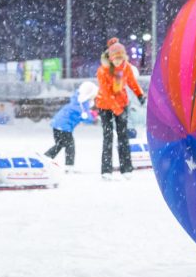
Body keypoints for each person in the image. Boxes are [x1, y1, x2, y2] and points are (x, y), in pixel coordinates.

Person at [96, 38, 146, 179]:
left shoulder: (125, 67)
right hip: (105, 105)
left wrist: (140, 95)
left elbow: (132, 82)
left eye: (120, 58)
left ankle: (126, 169)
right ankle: (106, 170)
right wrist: (117, 110)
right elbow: (106, 93)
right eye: (115, 59)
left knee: (123, 137)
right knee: (108, 137)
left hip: (121, 102)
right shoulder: (103, 70)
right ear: (110, 58)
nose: (118, 61)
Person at [44, 81, 99, 172]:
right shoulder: (81, 104)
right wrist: (93, 117)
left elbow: (83, 113)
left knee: (60, 144)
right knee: (70, 146)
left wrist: (90, 114)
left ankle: (46, 157)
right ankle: (68, 166)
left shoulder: (77, 100)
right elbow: (85, 117)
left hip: (57, 125)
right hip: (63, 127)